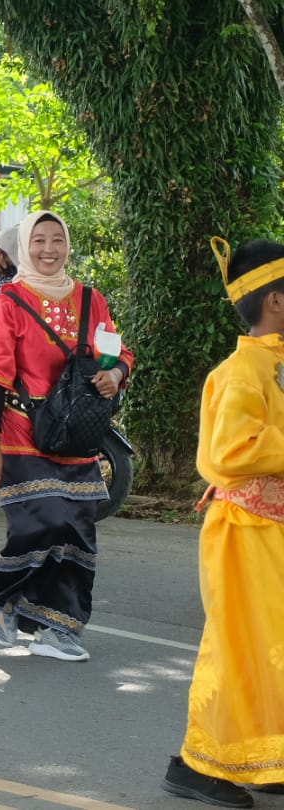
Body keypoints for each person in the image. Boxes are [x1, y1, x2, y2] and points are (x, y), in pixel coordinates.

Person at [160, 238, 284, 808]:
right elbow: (232, 450)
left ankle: (264, 755)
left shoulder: (275, 363)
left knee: (273, 649)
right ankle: (194, 763)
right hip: (243, 530)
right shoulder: (240, 372)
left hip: (273, 529)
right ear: (275, 302)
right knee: (240, 647)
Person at [0, 210, 131, 662]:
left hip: (78, 431)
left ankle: (58, 630)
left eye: (57, 239)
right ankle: (8, 589)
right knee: (42, 520)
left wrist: (115, 373)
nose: (49, 249)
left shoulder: (91, 300)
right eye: (39, 240)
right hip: (22, 430)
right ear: (24, 247)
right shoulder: (7, 302)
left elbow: (116, 352)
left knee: (77, 527)